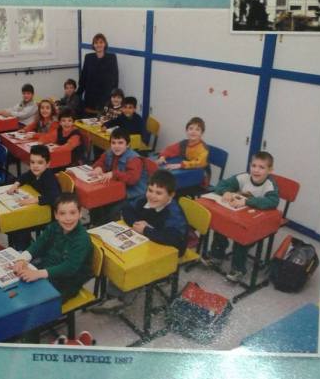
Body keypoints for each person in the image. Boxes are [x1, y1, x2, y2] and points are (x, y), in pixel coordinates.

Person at [91, 170, 188, 314]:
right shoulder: (146, 200)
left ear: (171, 195)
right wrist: (137, 225)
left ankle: (121, 298)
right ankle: (116, 293)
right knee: (118, 254)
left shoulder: (173, 213)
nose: (152, 196)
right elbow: (127, 209)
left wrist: (147, 231)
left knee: (131, 262)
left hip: (171, 249)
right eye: (150, 190)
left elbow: (174, 239)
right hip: (148, 240)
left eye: (159, 193)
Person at [201, 151, 280, 283]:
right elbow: (222, 184)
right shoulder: (244, 177)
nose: (256, 170)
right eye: (254, 166)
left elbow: (273, 202)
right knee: (221, 226)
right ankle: (216, 256)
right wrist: (226, 192)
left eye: (261, 167)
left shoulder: (269, 185)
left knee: (241, 237)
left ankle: (238, 269)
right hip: (240, 215)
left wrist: (247, 201)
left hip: (256, 222)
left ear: (270, 170)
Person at [12, 192, 93, 302]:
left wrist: (38, 274)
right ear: (56, 215)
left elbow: (70, 267)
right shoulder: (54, 227)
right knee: (18, 282)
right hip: (48, 268)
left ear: (80, 214)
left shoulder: (82, 239)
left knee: (33, 301)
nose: (68, 218)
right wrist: (23, 259)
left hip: (68, 282)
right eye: (62, 213)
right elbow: (39, 243)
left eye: (72, 213)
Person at [5, 144, 61, 250]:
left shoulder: (49, 177)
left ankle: (25, 249)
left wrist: (32, 200)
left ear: (48, 164)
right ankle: (21, 245)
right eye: (32, 162)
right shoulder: (33, 172)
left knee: (19, 225)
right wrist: (16, 184)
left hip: (49, 215)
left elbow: (54, 196)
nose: (35, 166)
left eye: (40, 163)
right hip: (36, 210)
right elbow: (24, 176)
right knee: (13, 222)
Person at [89, 128, 148, 225]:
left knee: (112, 209)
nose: (116, 146)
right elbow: (101, 162)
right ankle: (95, 225)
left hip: (133, 194)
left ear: (127, 145)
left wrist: (114, 173)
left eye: (120, 143)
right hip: (116, 188)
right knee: (96, 200)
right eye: (113, 143)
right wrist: (99, 167)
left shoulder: (133, 159)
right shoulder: (109, 152)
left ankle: (107, 228)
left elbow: (132, 179)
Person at [78, 33, 119, 113]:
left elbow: (115, 78)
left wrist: (114, 96)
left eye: (101, 42)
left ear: (105, 44)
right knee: (89, 117)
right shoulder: (88, 57)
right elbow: (83, 76)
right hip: (90, 95)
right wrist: (78, 94)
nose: (98, 45)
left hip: (105, 96)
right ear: (93, 45)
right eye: (96, 43)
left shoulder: (112, 57)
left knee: (103, 117)